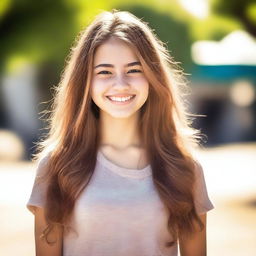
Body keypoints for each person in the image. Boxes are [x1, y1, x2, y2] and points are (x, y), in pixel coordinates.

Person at [27, 9, 214, 256]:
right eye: (104, 71)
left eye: (134, 70)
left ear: (151, 76)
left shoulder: (184, 167)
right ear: (86, 82)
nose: (120, 84)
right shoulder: (56, 165)